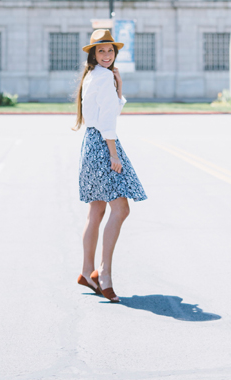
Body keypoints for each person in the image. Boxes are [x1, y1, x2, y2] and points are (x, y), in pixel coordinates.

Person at [73, 28, 147, 303]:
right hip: (104, 145)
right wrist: (113, 154)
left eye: (110, 50)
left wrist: (120, 88)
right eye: (101, 50)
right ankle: (103, 273)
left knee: (97, 211)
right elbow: (108, 120)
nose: (106, 54)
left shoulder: (94, 77)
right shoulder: (103, 77)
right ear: (93, 54)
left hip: (90, 143)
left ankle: (86, 271)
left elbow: (107, 110)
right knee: (121, 208)